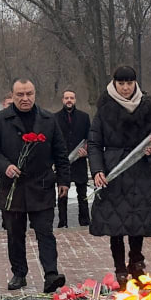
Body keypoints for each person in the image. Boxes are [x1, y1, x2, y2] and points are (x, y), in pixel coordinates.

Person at [0, 78, 70, 293]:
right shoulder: (0, 119)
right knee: (15, 233)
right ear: (12, 95)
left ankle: (50, 274)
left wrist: (64, 180)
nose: (25, 98)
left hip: (42, 186)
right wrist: (6, 166)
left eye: (29, 94)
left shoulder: (48, 119)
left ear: (35, 94)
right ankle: (19, 273)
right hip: (12, 188)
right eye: (20, 94)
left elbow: (60, 152)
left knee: (45, 232)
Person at [88, 66, 151, 283]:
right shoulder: (104, 108)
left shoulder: (148, 106)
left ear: (135, 83)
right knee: (115, 222)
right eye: (121, 83)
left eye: (129, 83)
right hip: (114, 171)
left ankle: (136, 261)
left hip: (140, 171)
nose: (126, 88)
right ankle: (120, 266)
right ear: (114, 83)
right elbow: (94, 142)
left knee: (138, 217)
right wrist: (97, 170)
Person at [54, 89, 91, 228]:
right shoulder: (54, 118)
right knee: (62, 194)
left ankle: (85, 221)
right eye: (66, 98)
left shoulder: (84, 117)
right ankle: (62, 222)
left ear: (75, 100)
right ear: (63, 100)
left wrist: (86, 151)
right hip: (63, 162)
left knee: (82, 194)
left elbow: (90, 138)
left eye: (71, 98)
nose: (69, 100)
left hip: (80, 161)